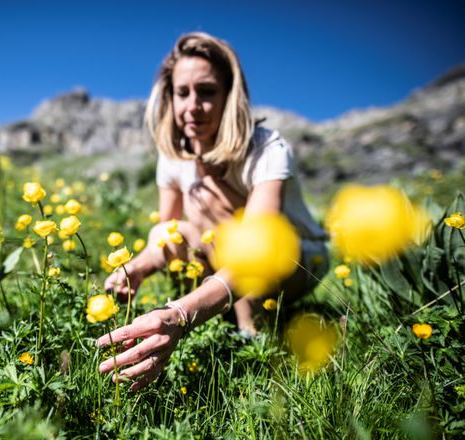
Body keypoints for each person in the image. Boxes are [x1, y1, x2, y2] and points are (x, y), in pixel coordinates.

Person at [97, 32, 329, 391]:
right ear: (170, 97)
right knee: (172, 229)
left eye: (207, 92)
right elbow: (167, 235)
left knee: (228, 224)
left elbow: (258, 251)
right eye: (182, 92)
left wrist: (178, 315)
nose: (192, 106)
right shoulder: (173, 157)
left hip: (296, 259)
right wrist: (137, 268)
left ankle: (250, 330)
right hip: (230, 257)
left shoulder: (267, 148)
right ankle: (233, 314)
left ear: (229, 96)